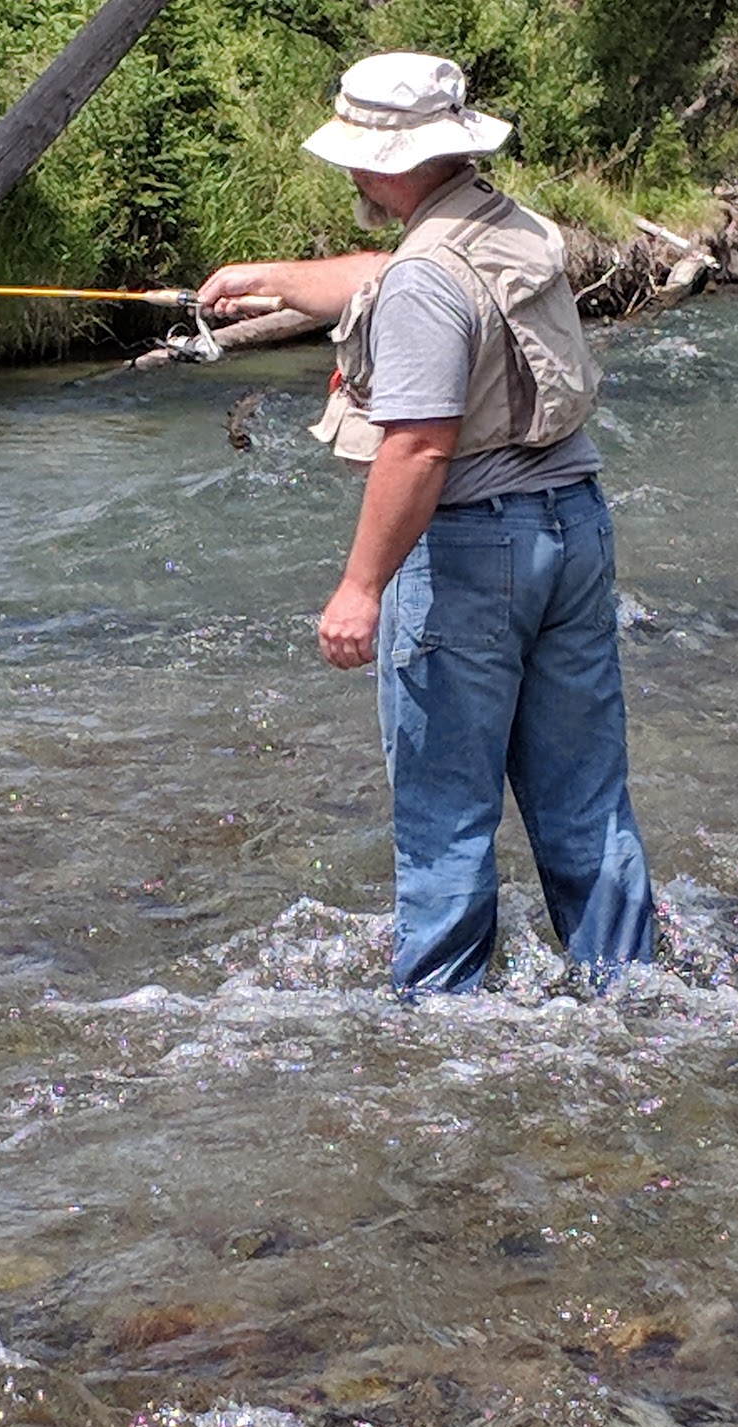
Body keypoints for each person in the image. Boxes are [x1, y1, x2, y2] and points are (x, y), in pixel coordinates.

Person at [198, 52, 655, 997]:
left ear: (384, 161)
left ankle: (440, 1026)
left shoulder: (421, 283)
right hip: (574, 529)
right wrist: (272, 280)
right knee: (586, 801)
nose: (349, 173)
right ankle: (634, 995)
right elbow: (389, 273)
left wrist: (359, 589)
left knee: (446, 816)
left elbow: (416, 447)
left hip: (473, 556)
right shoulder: (508, 223)